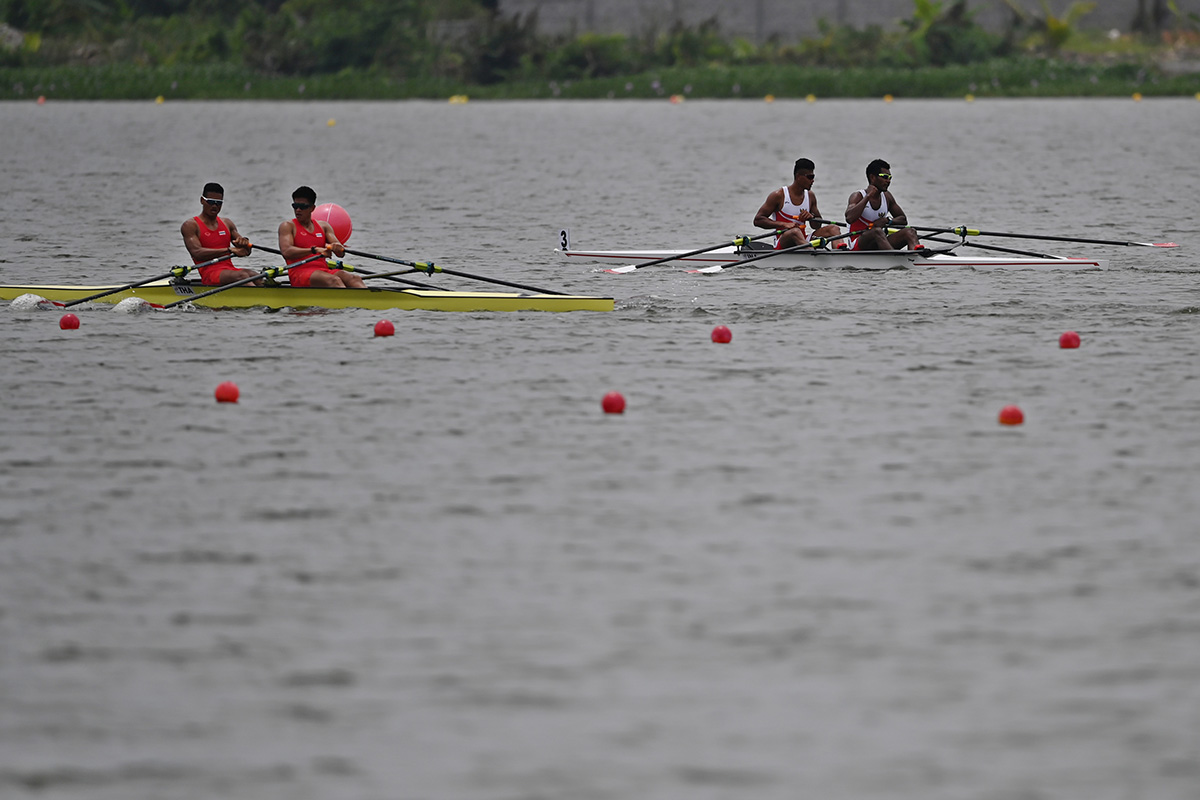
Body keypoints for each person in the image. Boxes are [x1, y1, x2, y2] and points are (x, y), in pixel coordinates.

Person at [277, 186, 365, 288]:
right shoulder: (287, 226)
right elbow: (286, 252)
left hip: (323, 270)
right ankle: (348, 303)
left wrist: (338, 248)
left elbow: (340, 254)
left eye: (302, 206)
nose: (298, 210)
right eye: (295, 206)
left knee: (354, 279)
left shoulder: (323, 226)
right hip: (299, 273)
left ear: (312, 208)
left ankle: (368, 302)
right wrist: (314, 250)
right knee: (334, 281)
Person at [753, 158, 842, 249]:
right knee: (794, 232)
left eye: (813, 177)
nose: (813, 181)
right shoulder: (779, 195)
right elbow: (758, 220)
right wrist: (784, 225)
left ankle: (841, 255)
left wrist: (811, 218)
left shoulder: (810, 196)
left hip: (803, 240)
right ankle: (811, 253)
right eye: (810, 177)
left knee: (833, 228)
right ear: (799, 177)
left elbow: (817, 226)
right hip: (783, 242)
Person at [180, 182, 257, 285]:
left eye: (219, 202)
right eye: (211, 202)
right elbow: (197, 253)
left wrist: (245, 244)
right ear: (202, 200)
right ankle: (257, 300)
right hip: (210, 274)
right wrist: (229, 250)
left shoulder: (227, 223)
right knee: (243, 275)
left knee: (256, 276)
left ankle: (268, 299)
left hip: (229, 270)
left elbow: (246, 252)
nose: (215, 206)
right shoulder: (190, 225)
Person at [844, 159, 923, 252]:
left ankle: (916, 258)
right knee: (877, 231)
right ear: (872, 177)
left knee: (910, 231)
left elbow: (903, 219)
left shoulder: (887, 197)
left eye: (890, 177)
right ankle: (893, 259)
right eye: (885, 177)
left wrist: (887, 220)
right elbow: (849, 218)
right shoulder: (858, 196)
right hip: (858, 242)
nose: (888, 181)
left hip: (880, 240)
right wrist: (868, 197)